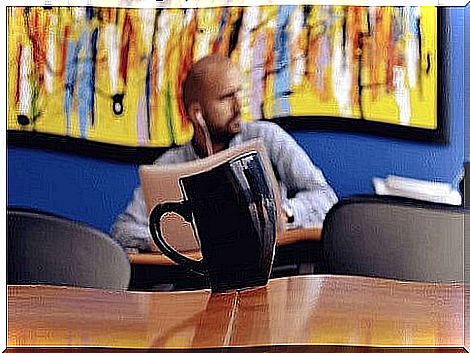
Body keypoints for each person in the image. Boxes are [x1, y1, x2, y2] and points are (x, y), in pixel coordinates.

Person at [112, 54, 338, 252]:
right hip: (196, 282)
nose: (239, 107)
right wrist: (165, 242)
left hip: (275, 271)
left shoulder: (267, 138)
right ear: (196, 113)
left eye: (239, 93)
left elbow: (326, 198)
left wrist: (285, 213)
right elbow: (123, 230)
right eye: (226, 98)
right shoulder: (168, 166)